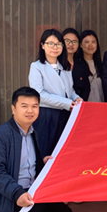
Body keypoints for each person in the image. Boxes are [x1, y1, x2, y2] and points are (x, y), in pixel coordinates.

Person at [29, 29, 82, 157]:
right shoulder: (37, 67)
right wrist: (67, 103)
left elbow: (70, 90)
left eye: (58, 44)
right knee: (46, 152)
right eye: (51, 44)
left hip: (65, 114)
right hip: (47, 115)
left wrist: (77, 98)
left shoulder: (65, 66)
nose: (55, 47)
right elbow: (39, 95)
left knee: (63, 152)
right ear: (42, 45)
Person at [72, 29, 104, 102]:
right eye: (87, 42)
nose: (90, 45)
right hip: (84, 104)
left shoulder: (101, 65)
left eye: (93, 42)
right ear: (80, 45)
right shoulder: (76, 64)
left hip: (101, 105)